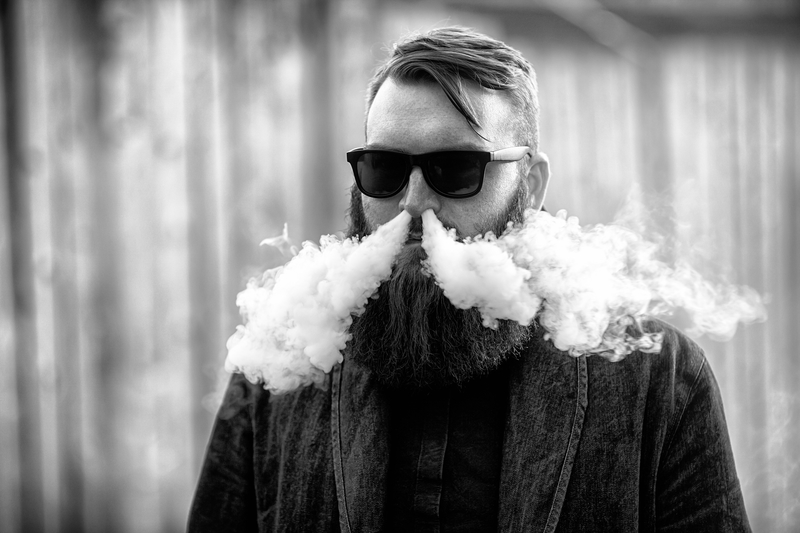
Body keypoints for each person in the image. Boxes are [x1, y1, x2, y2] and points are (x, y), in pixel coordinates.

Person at [187, 27, 751, 532]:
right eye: (383, 169)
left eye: (455, 170)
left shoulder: (657, 379)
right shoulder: (278, 366)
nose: (411, 205)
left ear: (528, 187)